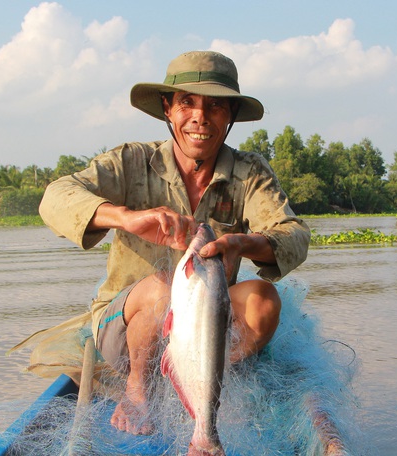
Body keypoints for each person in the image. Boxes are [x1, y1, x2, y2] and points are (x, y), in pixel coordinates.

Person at [17, 50, 310, 436]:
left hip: (206, 328)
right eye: (187, 103)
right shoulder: (132, 161)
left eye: (215, 106)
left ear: (230, 117)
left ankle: (205, 390)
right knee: (160, 287)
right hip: (127, 328)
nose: (200, 117)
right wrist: (127, 218)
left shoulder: (249, 173)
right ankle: (139, 390)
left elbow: (294, 234)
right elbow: (55, 197)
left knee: (263, 300)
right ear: (168, 109)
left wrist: (242, 243)